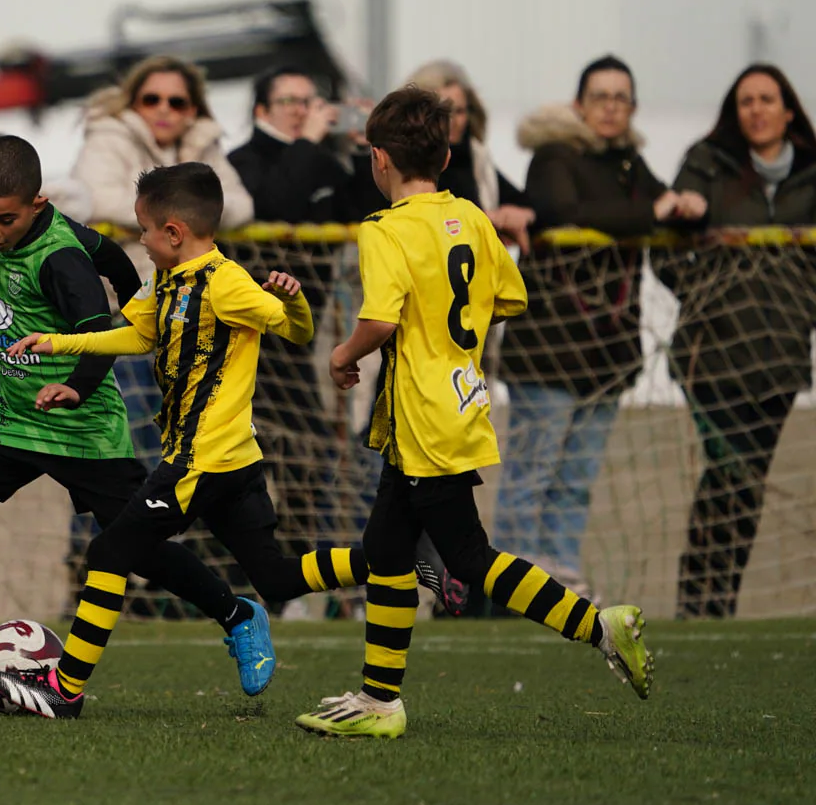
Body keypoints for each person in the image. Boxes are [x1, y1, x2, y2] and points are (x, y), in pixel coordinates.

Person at [0, 138, 364, 694]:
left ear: (37, 203)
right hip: (14, 421)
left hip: (86, 432)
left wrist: (76, 385)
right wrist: (138, 299)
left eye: (5, 219)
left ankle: (235, 616)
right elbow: (115, 258)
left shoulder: (61, 259)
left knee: (137, 550)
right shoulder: (62, 229)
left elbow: (99, 329)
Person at [0, 162, 423, 719]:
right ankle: (394, 560)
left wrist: (290, 299)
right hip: (234, 465)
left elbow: (297, 331)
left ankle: (65, 687)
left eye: (144, 229)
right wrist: (54, 343)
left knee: (108, 550)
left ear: (173, 232)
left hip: (202, 462)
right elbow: (137, 332)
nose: (139, 240)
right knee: (274, 578)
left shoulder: (226, 282)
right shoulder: (166, 281)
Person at [291, 87, 653, 739]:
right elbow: (509, 297)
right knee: (388, 549)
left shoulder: (384, 228)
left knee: (467, 555)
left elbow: (379, 317)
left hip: (424, 414)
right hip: (459, 401)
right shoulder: (474, 218)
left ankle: (599, 624)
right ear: (448, 154)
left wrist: (342, 355)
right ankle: (379, 699)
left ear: (378, 159)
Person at [493, 56, 705, 591]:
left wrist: (687, 205)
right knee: (531, 478)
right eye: (601, 96)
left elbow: (664, 206)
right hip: (547, 351)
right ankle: (512, 586)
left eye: (621, 97)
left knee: (577, 482)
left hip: (608, 355)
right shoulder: (554, 156)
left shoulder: (628, 162)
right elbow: (568, 212)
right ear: (578, 104)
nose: (611, 106)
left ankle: (560, 578)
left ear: (632, 107)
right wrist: (653, 211)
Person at [659, 65, 816, 618]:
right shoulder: (708, 162)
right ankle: (697, 601)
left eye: (767, 100)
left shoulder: (812, 173)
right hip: (711, 356)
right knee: (727, 477)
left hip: (781, 358)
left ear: (788, 109)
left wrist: (803, 304)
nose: (756, 110)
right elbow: (665, 248)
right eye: (746, 100)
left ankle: (718, 602)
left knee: (746, 491)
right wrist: (706, 294)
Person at [71, 55, 253, 462]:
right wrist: (188, 216)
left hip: (190, 322)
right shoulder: (109, 137)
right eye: (152, 99)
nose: (164, 110)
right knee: (119, 451)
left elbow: (241, 206)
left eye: (177, 102)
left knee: (186, 451)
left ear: (193, 109)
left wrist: (159, 218)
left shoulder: (202, 144)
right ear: (133, 102)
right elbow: (91, 197)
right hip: (121, 317)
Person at [227, 67, 349, 585]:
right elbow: (271, 202)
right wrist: (310, 145)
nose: (302, 109)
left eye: (310, 99)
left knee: (306, 461)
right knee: (236, 469)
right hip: (244, 342)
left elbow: (362, 205)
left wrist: (372, 148)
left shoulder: (326, 159)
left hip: (300, 341)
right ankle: (234, 577)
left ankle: (290, 580)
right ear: (261, 111)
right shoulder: (239, 162)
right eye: (289, 101)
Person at [406, 60, 536, 249]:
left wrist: (521, 214)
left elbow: (527, 202)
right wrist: (486, 218)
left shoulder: (477, 159)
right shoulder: (405, 162)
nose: (451, 121)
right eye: (441, 112)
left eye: (459, 111)